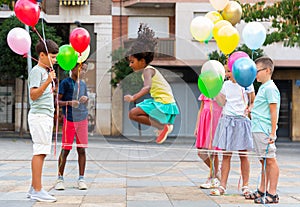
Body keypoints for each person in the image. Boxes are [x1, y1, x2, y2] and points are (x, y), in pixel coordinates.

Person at [123, 24, 179, 144]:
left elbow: (147, 87)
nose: (130, 65)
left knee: (133, 113)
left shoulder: (148, 70)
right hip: (165, 102)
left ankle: (162, 127)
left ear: (142, 61)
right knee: (134, 114)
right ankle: (162, 127)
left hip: (164, 103)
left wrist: (133, 97)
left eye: (132, 62)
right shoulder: (148, 71)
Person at [210, 65, 255, 196]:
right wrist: (216, 89)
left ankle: (245, 186)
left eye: (229, 71)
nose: (227, 74)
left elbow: (253, 100)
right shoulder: (225, 85)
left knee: (243, 155)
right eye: (226, 71)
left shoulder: (247, 84)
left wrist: (249, 108)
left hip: (242, 120)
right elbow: (221, 103)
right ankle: (222, 186)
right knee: (226, 155)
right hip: (227, 120)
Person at [27, 39, 58, 202]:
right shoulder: (37, 71)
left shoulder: (44, 71)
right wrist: (47, 82)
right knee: (39, 151)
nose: (55, 61)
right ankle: (37, 190)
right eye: (52, 57)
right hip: (39, 116)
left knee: (42, 151)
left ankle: (34, 187)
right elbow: (33, 95)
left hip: (45, 116)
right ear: (42, 55)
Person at [246, 56, 280, 204]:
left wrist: (273, 132)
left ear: (267, 70)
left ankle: (272, 193)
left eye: (257, 71)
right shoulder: (264, 88)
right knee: (264, 161)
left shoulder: (271, 88)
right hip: (258, 129)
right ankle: (261, 189)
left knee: (270, 161)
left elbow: (274, 112)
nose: (255, 74)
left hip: (264, 130)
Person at [55, 62, 89, 191]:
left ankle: (81, 178)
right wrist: (70, 103)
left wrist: (86, 99)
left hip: (82, 119)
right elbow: (57, 102)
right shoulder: (65, 83)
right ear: (73, 68)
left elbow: (85, 100)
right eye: (81, 68)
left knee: (81, 150)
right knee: (66, 149)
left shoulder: (83, 84)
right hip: (69, 119)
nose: (83, 71)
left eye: (85, 69)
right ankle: (60, 178)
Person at [194, 94, 222, 189]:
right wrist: (197, 126)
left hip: (215, 120)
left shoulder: (220, 91)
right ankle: (216, 172)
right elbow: (201, 109)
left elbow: (222, 104)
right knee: (201, 152)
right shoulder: (205, 91)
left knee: (214, 152)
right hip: (204, 120)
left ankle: (212, 177)